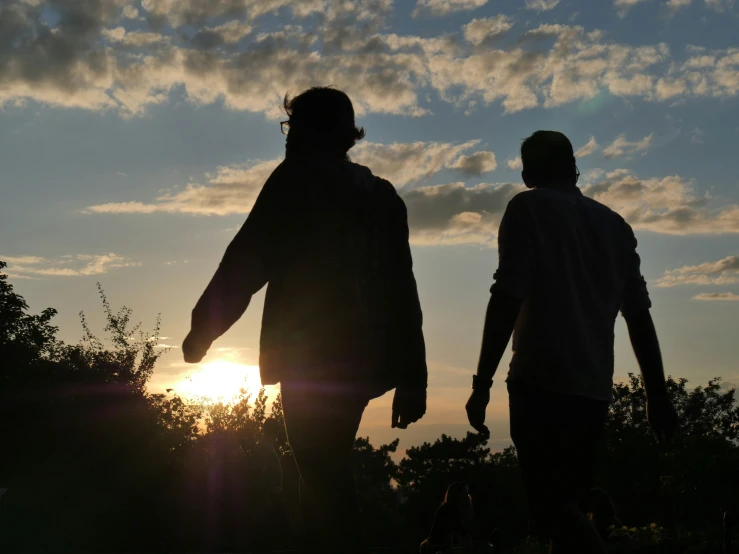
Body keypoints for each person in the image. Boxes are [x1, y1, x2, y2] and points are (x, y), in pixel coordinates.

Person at [182, 86, 428, 553]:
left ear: (312, 130)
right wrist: (413, 375)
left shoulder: (296, 179)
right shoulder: (383, 197)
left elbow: (246, 261)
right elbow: (404, 290)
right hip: (364, 362)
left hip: (309, 357)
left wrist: (202, 331)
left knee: (321, 472)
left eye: (294, 126)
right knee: (320, 469)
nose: (289, 136)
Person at [464, 130, 679, 553]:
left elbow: (508, 295)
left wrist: (482, 382)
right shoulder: (614, 225)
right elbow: (638, 315)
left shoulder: (527, 208)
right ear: (574, 167)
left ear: (527, 173)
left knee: (549, 510)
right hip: (593, 390)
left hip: (538, 382)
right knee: (570, 506)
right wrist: (657, 395)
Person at [420, 482, 475, 553]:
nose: (467, 497)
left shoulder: (456, 511)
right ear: (457, 496)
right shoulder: (447, 510)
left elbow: (465, 534)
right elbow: (448, 536)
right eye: (464, 494)